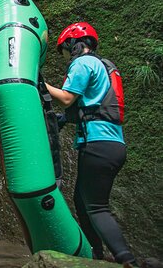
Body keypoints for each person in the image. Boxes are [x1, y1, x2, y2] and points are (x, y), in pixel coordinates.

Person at [45, 22, 137, 266]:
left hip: (97, 145)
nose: (65, 58)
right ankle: (95, 254)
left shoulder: (83, 63)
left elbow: (66, 98)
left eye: (64, 51)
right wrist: (64, 120)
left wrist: (38, 83)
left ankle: (126, 259)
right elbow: (85, 108)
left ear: (72, 45)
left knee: (96, 207)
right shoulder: (102, 66)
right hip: (112, 145)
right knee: (81, 201)